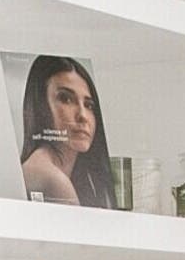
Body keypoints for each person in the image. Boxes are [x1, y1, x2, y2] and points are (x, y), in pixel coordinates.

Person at [15, 55, 115, 209]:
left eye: (89, 105)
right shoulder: (54, 180)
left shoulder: (43, 168)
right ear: (41, 106)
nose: (82, 115)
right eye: (66, 99)